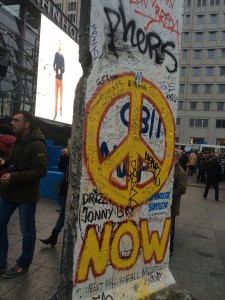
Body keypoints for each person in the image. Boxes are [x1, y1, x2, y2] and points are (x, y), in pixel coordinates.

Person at [0, 111, 48, 278]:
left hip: (26, 195)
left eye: (16, 120)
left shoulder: (38, 144)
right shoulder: (17, 141)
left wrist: (14, 177)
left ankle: (23, 264)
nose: (12, 122)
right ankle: (1, 261)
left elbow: (41, 171)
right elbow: (16, 162)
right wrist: (6, 162)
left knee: (27, 231)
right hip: (9, 192)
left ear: (27, 124)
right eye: (12, 119)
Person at [40, 139, 70, 247]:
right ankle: (54, 237)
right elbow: (61, 168)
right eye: (67, 144)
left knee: (63, 214)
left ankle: (54, 237)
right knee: (62, 214)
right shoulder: (68, 155)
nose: (68, 146)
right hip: (66, 188)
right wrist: (64, 157)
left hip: (70, 190)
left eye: (69, 144)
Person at [170, 149, 187, 255]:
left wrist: (169, 198)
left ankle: (170, 249)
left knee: (170, 228)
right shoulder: (170, 168)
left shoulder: (180, 171)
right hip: (165, 205)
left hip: (172, 205)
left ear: (177, 158)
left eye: (173, 157)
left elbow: (182, 188)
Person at [53, 40, 65, 120]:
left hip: (60, 78)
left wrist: (61, 72)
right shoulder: (56, 54)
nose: (60, 46)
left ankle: (60, 110)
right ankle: (55, 111)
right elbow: (53, 63)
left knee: (61, 96)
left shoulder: (62, 56)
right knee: (56, 96)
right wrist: (55, 70)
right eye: (59, 45)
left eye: (61, 45)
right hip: (56, 77)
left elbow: (64, 68)